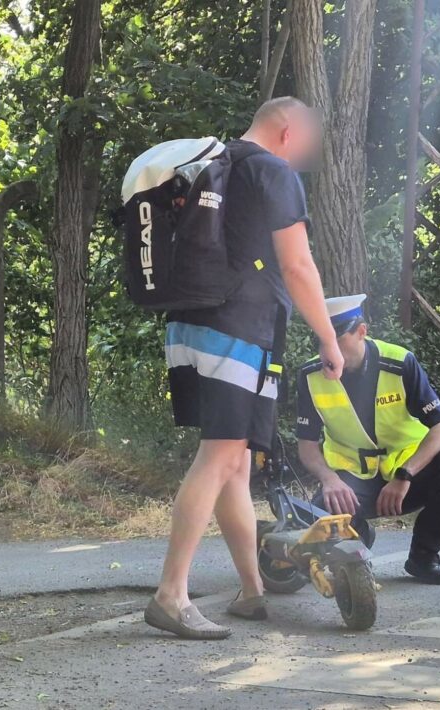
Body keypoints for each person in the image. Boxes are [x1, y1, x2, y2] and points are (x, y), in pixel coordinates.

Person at [145, 97, 343, 640]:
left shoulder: (215, 165)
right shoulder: (272, 172)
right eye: (305, 140)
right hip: (239, 329)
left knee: (234, 462)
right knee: (219, 457)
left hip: (188, 327)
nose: (304, 153)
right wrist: (329, 337)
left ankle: (252, 591)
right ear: (287, 129)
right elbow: (297, 264)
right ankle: (171, 596)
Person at [293, 294, 440, 585]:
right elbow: (306, 445)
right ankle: (359, 537)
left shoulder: (400, 363)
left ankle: (424, 557)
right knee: (318, 526)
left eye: (338, 340)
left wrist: (405, 475)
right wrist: (329, 479)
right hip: (349, 484)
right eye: (323, 340)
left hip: (407, 478)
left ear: (361, 331)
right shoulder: (310, 374)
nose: (330, 351)